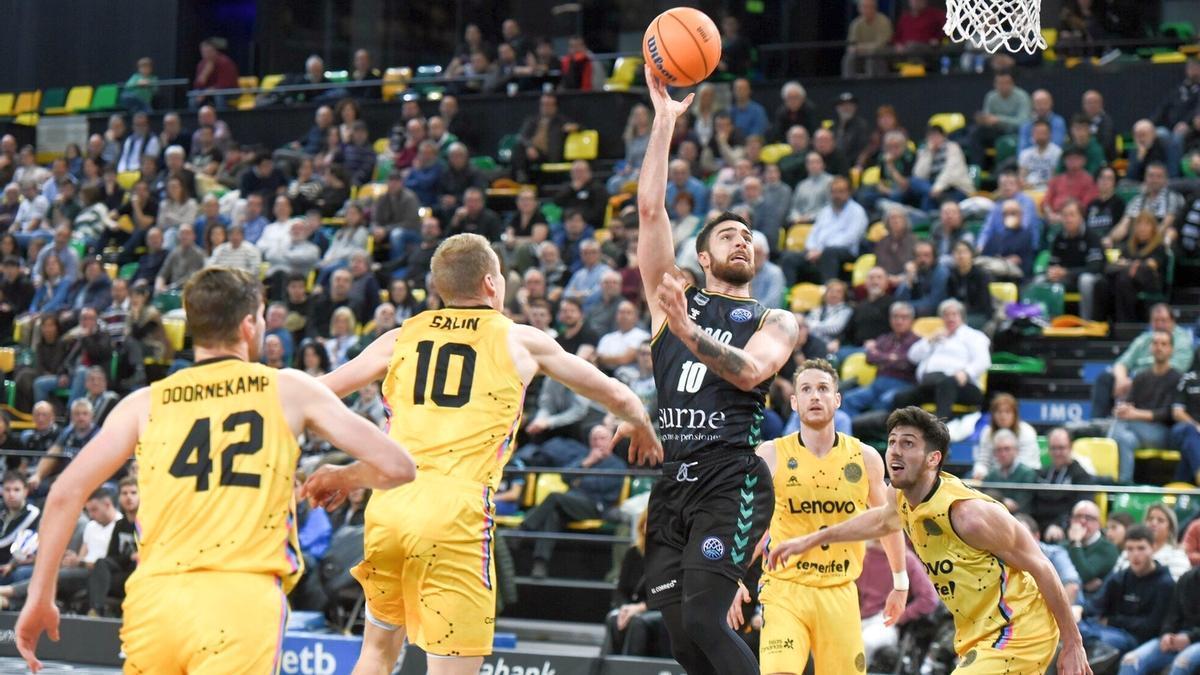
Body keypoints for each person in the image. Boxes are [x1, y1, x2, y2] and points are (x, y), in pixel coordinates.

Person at [13, 267, 417, 672]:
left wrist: (39, 594)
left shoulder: (144, 402)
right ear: (247, 325)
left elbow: (65, 492)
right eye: (259, 317)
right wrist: (344, 476)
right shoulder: (288, 387)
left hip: (156, 600)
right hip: (239, 597)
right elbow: (399, 466)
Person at [303, 233, 661, 674]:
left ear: (441, 287)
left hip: (389, 505)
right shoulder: (520, 339)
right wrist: (641, 423)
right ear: (492, 284)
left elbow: (313, 395)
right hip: (456, 514)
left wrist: (343, 469)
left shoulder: (401, 337)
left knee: (376, 655)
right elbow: (615, 395)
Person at [767, 406, 1092, 675]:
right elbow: (879, 520)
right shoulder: (901, 498)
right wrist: (810, 539)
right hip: (975, 633)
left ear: (933, 459)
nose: (894, 450)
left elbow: (1042, 567)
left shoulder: (970, 515)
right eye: (892, 441)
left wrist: (1073, 643)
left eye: (907, 443)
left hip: (1018, 630)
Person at [733, 359, 910, 673]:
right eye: (806, 389)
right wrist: (730, 576)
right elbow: (749, 525)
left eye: (823, 389)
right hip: (785, 590)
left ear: (837, 400)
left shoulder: (866, 458)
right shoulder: (770, 454)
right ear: (794, 401)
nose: (815, 396)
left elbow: (888, 522)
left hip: (839, 591)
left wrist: (900, 582)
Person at [521, 424, 627, 577]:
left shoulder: (617, 464)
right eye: (594, 439)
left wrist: (579, 480)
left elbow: (600, 485)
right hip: (572, 503)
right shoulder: (584, 458)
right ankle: (540, 565)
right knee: (553, 515)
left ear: (611, 441)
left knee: (555, 496)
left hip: (596, 507)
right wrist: (586, 463)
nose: (598, 442)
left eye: (602, 438)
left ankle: (525, 527)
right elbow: (565, 476)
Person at [1079, 524, 1175, 658]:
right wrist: (1078, 611)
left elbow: (1151, 626)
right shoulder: (1121, 576)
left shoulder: (1165, 583)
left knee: (1100, 641)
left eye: (1141, 548)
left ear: (1153, 548)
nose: (1135, 555)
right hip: (1105, 629)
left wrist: (1112, 621)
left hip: (1136, 638)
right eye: (1130, 549)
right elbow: (1095, 604)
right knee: (1076, 629)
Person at [894, 299, 991, 419]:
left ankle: (940, 426)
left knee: (947, 383)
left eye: (954, 314)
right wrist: (930, 340)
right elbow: (912, 356)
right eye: (946, 315)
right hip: (931, 385)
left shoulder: (974, 336)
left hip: (962, 386)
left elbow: (983, 360)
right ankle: (901, 430)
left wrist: (966, 373)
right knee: (901, 397)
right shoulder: (936, 337)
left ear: (962, 317)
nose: (950, 318)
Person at [1093, 304, 1194, 418]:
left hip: (1162, 383)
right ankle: (1099, 422)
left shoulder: (1182, 340)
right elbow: (1122, 362)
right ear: (1151, 322)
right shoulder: (1144, 339)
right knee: (1105, 379)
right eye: (1156, 320)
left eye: (1163, 320)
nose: (1160, 324)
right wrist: (1121, 379)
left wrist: (1138, 381)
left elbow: (1176, 369)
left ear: (1172, 321)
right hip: (1136, 382)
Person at [1107, 330, 1180, 483]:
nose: (1159, 347)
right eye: (1155, 343)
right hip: (1135, 431)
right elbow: (1129, 402)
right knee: (1126, 439)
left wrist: (1135, 414)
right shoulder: (1141, 376)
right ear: (1150, 348)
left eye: (1163, 344)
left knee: (1119, 425)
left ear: (1171, 350)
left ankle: (1110, 479)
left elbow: (1170, 414)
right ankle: (1124, 484)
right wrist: (1122, 410)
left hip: (1162, 432)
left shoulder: (1177, 377)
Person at [1117, 563, 1200, 675]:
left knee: (1182, 663)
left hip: (1194, 639)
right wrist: (1166, 633)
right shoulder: (1187, 578)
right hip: (1178, 636)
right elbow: (1172, 614)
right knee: (1130, 661)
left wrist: (1190, 638)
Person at [1043, 200, 1105, 320]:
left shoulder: (1092, 236)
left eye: (1072, 215)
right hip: (1067, 279)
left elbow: (1095, 268)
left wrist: (1066, 272)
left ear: (1081, 217)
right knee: (1041, 279)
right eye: (1065, 215)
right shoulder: (1058, 237)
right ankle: (1046, 322)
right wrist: (1052, 272)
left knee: (1085, 280)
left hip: (1094, 279)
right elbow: (1053, 263)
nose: (1068, 219)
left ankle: (1088, 321)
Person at [1034, 430, 1095, 532]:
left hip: (1066, 529)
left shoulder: (1081, 476)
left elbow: (1081, 510)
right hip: (1039, 528)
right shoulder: (1042, 474)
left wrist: (1060, 525)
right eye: (1053, 448)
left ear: (1070, 447)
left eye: (1061, 448)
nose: (1057, 453)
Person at [1064, 500, 1120, 599]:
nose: (1082, 521)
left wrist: (1076, 543)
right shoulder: (1062, 546)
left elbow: (1084, 575)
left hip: (1093, 605)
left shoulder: (1108, 548)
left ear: (1099, 523)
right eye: (1077, 517)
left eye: (1088, 518)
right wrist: (1083, 585)